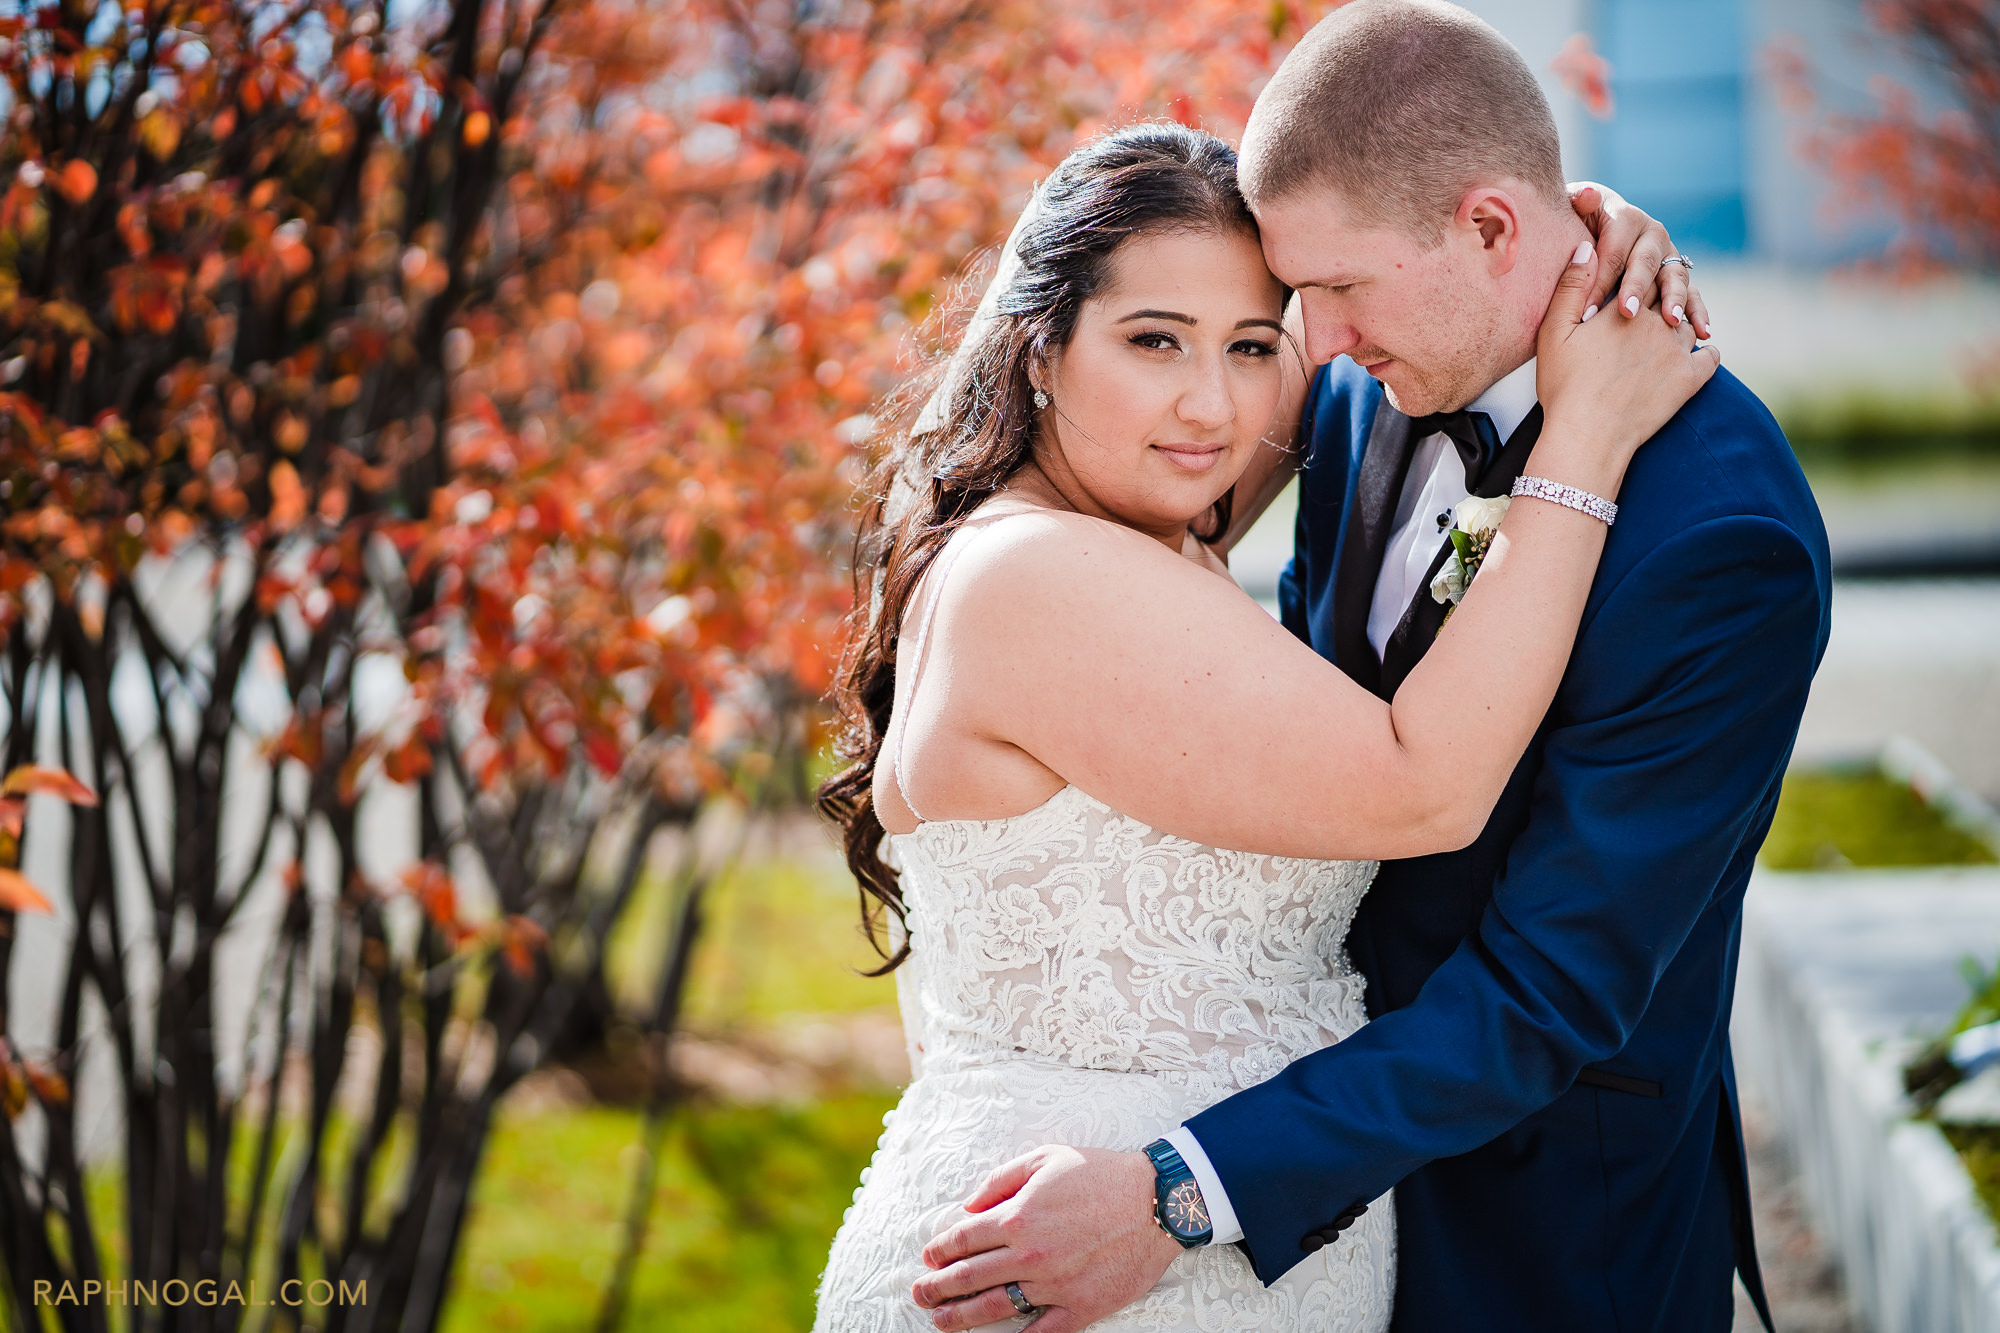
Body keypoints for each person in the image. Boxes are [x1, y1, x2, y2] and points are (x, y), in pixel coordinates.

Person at [905, 4, 1832, 1332]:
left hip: (1539, 1241)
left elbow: (1550, 990)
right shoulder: (1367, 386)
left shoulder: (1720, 536)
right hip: (1273, 1201)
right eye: (1300, 299)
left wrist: (1185, 1188)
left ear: (1494, 230)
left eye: (1337, 289)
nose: (1312, 345)